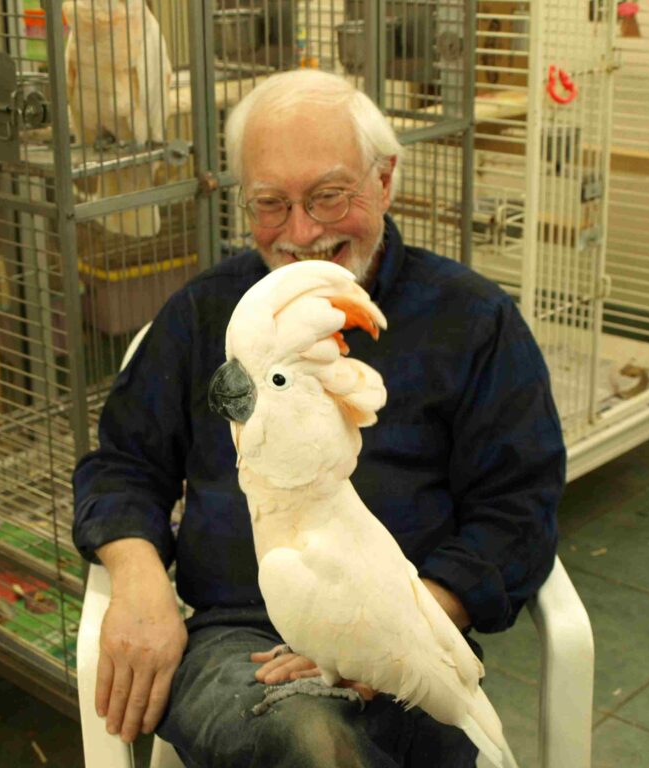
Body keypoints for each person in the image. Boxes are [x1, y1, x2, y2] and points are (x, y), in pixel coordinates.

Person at [73, 68, 565, 767]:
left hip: (414, 627)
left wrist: (402, 624)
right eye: (271, 203)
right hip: (239, 641)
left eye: (330, 196)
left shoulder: (474, 321)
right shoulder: (202, 315)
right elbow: (121, 463)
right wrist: (138, 576)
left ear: (386, 180)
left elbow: (520, 506)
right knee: (308, 740)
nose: (302, 231)